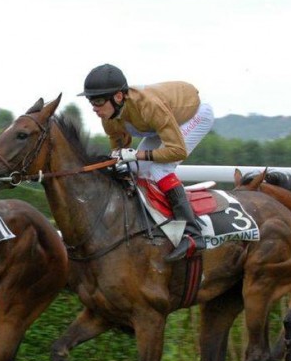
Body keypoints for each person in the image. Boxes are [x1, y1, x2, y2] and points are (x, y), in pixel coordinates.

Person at [78, 64, 215, 261]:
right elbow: (119, 153)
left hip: (193, 115)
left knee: (160, 169)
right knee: (131, 168)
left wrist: (137, 154)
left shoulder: (148, 106)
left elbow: (176, 150)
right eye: (91, 102)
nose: (94, 108)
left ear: (117, 97)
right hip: (158, 126)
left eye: (98, 101)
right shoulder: (108, 117)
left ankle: (193, 234)